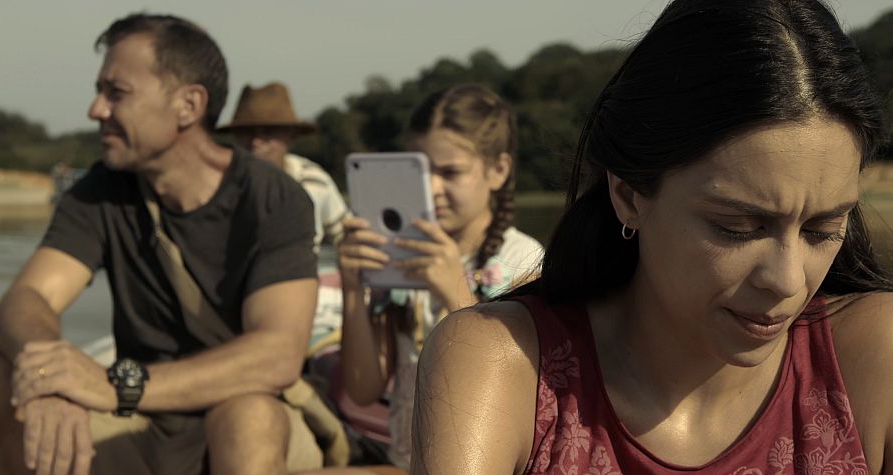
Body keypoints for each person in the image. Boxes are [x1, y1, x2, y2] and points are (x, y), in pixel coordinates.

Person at [411, 0, 893, 473]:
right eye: (737, 227)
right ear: (628, 195)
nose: (787, 281)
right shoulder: (504, 364)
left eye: (823, 229)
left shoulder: (873, 358)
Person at [0, 13, 324, 475]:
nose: (96, 109)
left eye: (116, 93)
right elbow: (27, 299)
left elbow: (276, 355)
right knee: (6, 369)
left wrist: (119, 387)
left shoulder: (272, 197)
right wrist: (51, 377)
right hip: (144, 421)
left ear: (188, 105)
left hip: (244, 416)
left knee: (249, 415)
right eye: (99, 91)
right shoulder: (102, 189)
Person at [335, 83, 543, 472]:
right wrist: (351, 287)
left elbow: (523, 398)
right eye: (421, 170)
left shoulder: (524, 261)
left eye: (449, 172)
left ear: (498, 170)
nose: (432, 189)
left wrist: (455, 291)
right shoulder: (400, 257)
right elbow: (363, 389)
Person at [220, 82, 349, 251]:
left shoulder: (313, 180)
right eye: (247, 132)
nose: (255, 141)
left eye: (269, 132)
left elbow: (345, 236)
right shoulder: (217, 184)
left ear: (292, 136)